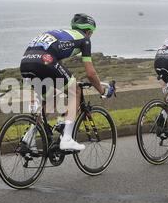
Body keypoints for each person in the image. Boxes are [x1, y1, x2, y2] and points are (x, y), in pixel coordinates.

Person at [20, 13, 114, 151]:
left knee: (48, 100)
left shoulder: (64, 35)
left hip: (26, 63)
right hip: (45, 61)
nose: (90, 36)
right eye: (91, 33)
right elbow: (91, 73)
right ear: (88, 31)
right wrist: (102, 90)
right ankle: (67, 139)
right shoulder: (84, 39)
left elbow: (58, 65)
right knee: (75, 91)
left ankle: (28, 137)